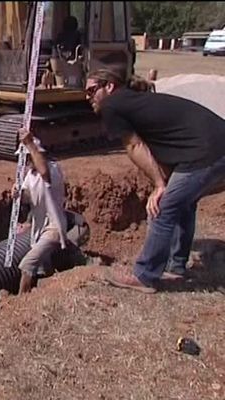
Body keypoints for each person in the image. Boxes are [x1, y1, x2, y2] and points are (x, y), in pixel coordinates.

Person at [85, 68, 225, 293]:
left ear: (109, 86)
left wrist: (160, 186)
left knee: (162, 208)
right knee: (184, 204)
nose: (88, 97)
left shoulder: (112, 104)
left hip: (206, 152)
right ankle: (176, 266)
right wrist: (165, 181)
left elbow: (134, 146)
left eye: (92, 90)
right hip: (214, 146)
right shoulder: (136, 102)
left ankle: (145, 275)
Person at [12, 128, 70, 294]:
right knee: (44, 269)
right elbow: (27, 198)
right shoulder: (30, 175)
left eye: (29, 156)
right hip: (39, 229)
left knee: (27, 264)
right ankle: (52, 292)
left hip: (53, 228)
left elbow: (44, 173)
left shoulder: (52, 169)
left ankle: (20, 302)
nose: (26, 161)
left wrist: (29, 143)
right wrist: (18, 194)